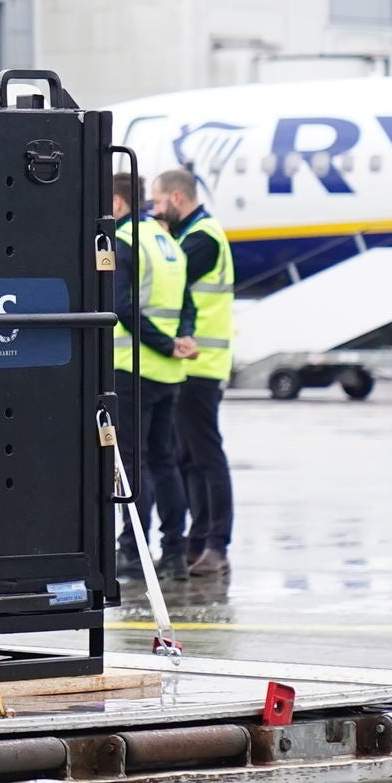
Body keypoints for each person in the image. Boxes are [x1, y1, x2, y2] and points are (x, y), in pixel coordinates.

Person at [109, 172, 195, 574]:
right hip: (170, 374)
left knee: (133, 463)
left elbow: (122, 308)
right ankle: (175, 552)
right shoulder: (169, 242)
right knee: (166, 462)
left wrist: (163, 343)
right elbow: (188, 302)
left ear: (118, 203)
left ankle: (133, 549)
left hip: (135, 369)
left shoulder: (126, 241)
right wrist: (183, 339)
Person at [156, 166, 237, 580]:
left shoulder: (201, 238)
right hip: (189, 362)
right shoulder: (191, 235)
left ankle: (216, 544)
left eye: (158, 201)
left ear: (177, 199)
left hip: (201, 364)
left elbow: (171, 277)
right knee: (188, 456)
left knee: (206, 455)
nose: (154, 209)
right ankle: (198, 539)